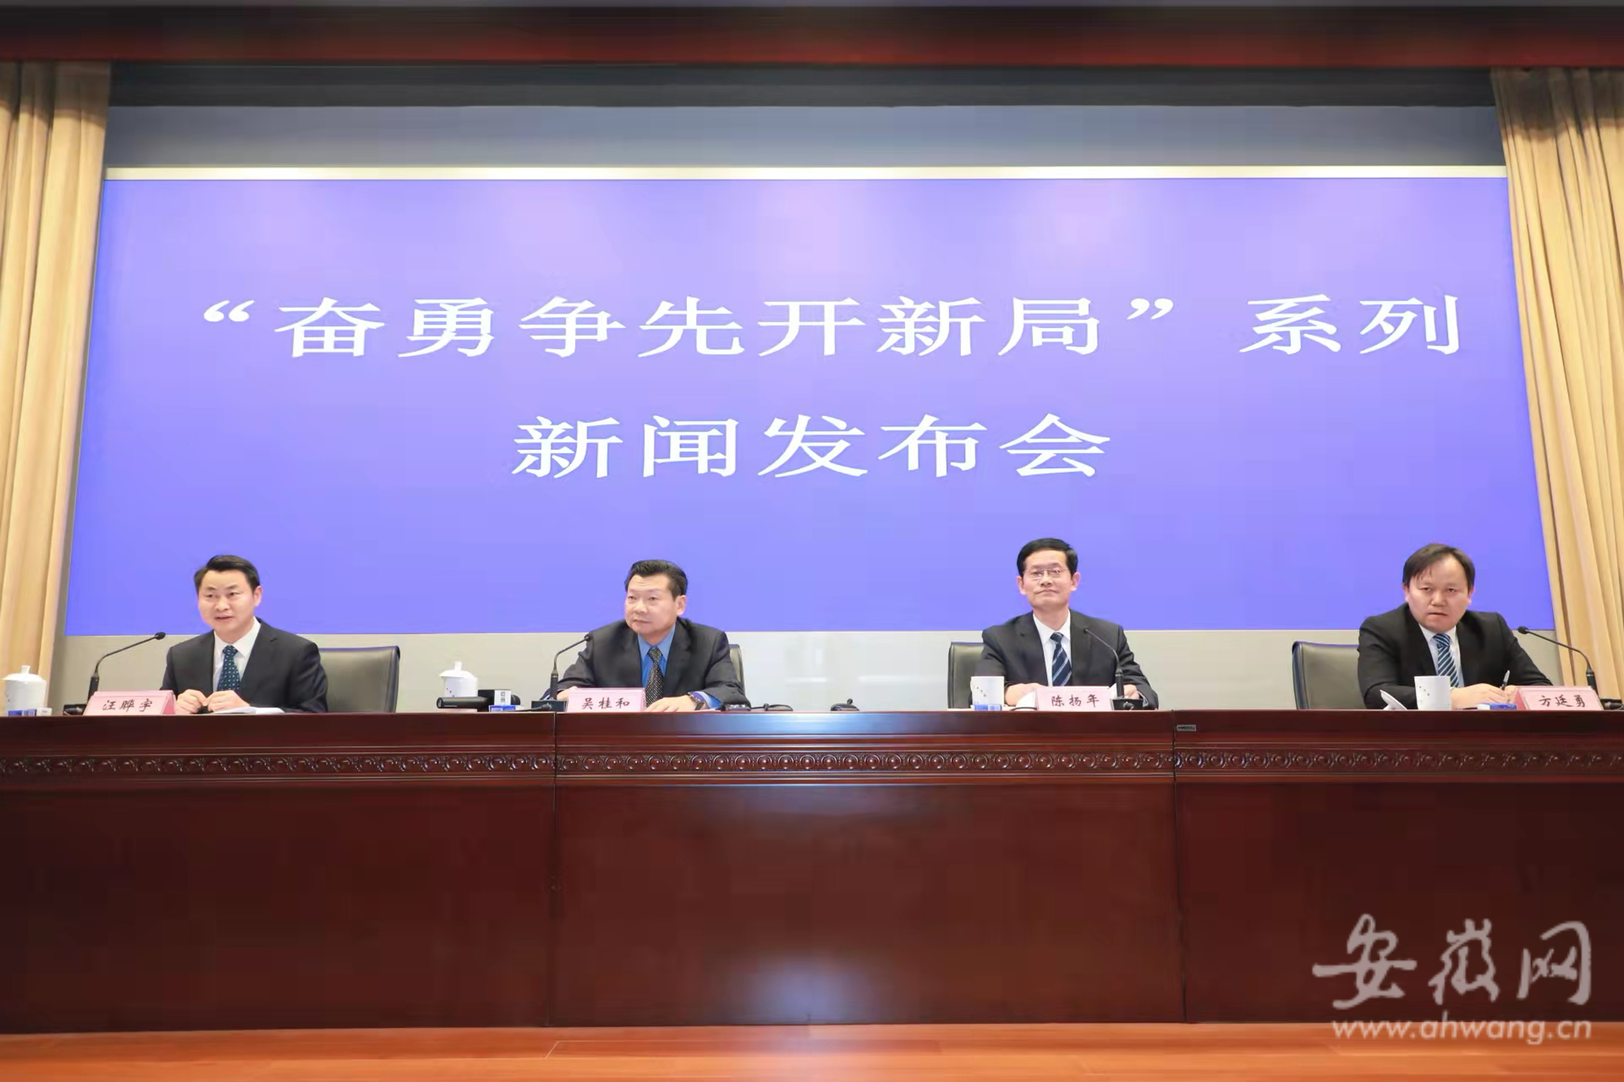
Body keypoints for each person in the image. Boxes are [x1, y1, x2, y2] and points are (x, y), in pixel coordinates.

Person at [1357, 543, 1550, 709]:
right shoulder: (1382, 629)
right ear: (1406, 591)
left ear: (1469, 593)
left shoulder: (1491, 628)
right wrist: (1452, 697)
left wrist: (1518, 693)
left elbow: (1541, 687)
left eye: (1450, 590)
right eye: (1427, 589)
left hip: (1485, 735)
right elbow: (1377, 694)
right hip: (1416, 736)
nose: (1438, 600)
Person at [975, 537, 1158, 708]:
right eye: (1036, 573)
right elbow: (979, 695)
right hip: (1029, 731)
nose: (1046, 580)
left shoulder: (1107, 636)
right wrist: (1009, 693)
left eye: (1055, 572)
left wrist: (1134, 694)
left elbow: (1146, 692)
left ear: (1073, 581)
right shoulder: (1001, 638)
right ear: (1022, 584)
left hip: (1094, 731)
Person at [556, 559, 746, 711]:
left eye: (652, 599)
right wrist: (566, 695)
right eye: (632, 598)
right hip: (619, 741)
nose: (639, 608)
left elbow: (730, 691)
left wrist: (693, 700)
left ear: (679, 605)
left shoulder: (707, 642)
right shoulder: (603, 641)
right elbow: (561, 690)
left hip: (685, 742)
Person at [160, 554, 328, 713]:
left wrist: (251, 711)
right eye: (210, 595)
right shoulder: (182, 656)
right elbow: (158, 719)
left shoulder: (295, 652)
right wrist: (172, 711)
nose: (221, 606)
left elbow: (314, 717)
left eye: (232, 594)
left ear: (256, 595)